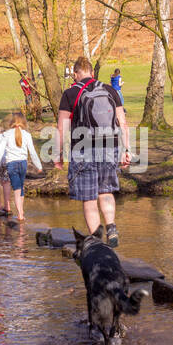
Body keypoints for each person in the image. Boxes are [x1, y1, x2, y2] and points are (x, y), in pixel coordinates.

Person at [57, 56, 131, 248]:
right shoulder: (110, 90)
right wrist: (126, 149)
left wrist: (58, 153)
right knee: (105, 191)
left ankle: (97, 242)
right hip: (110, 146)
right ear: (92, 72)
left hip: (83, 149)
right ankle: (112, 227)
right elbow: (122, 122)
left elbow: (62, 128)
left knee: (89, 198)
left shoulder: (70, 93)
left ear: (75, 74)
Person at [0, 110, 44, 221]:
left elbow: (0, 151)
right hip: (23, 164)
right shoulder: (27, 135)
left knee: (16, 189)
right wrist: (38, 166)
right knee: (21, 188)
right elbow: (32, 152)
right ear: (23, 122)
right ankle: (21, 210)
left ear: (12, 122)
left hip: (12, 164)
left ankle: (20, 214)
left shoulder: (6, 134)